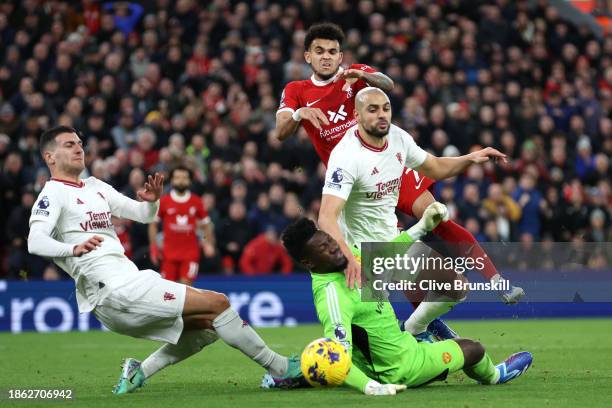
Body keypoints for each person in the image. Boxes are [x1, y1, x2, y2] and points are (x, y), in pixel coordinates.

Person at [27, 126, 302, 395]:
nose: (78, 148)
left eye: (79, 143)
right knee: (219, 303)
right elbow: (35, 241)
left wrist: (152, 202)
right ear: (49, 157)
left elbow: (143, 215)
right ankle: (280, 370)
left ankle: (139, 372)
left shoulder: (95, 186)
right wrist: (73, 248)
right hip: (114, 290)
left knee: (210, 326)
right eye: (68, 145)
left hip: (128, 284)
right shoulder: (53, 194)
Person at [275, 23, 524, 318]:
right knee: (390, 257)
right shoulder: (297, 91)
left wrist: (363, 75)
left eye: (332, 51)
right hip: (354, 186)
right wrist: (300, 113)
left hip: (389, 163)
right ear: (307, 56)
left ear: (341, 55)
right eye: (319, 52)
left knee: (434, 214)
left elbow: (388, 84)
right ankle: (419, 329)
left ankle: (497, 282)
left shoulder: (354, 76)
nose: (326, 57)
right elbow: (281, 130)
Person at [318, 87, 513, 340]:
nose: (382, 115)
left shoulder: (398, 138)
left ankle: (413, 330)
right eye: (373, 109)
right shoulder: (346, 155)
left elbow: (435, 167)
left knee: (456, 286)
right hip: (363, 254)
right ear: (356, 115)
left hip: (395, 242)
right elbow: (326, 216)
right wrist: (348, 258)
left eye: (386, 109)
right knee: (373, 350)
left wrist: (471, 157)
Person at [268, 216, 532, 395]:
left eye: (331, 241)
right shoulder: (332, 296)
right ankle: (496, 375)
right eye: (324, 248)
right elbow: (339, 356)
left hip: (399, 344)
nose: (335, 248)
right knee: (472, 348)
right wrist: (371, 387)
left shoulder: (350, 261)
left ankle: (301, 373)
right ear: (309, 263)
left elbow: (387, 252)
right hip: (401, 368)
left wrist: (421, 227)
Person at [148, 166, 216, 286]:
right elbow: (153, 225)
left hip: (190, 255)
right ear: (172, 180)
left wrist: (208, 243)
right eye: (177, 177)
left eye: (184, 178)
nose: (181, 180)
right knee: (167, 291)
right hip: (168, 255)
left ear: (190, 181)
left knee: (186, 290)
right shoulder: (164, 201)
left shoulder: (196, 201)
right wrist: (154, 247)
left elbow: (207, 224)